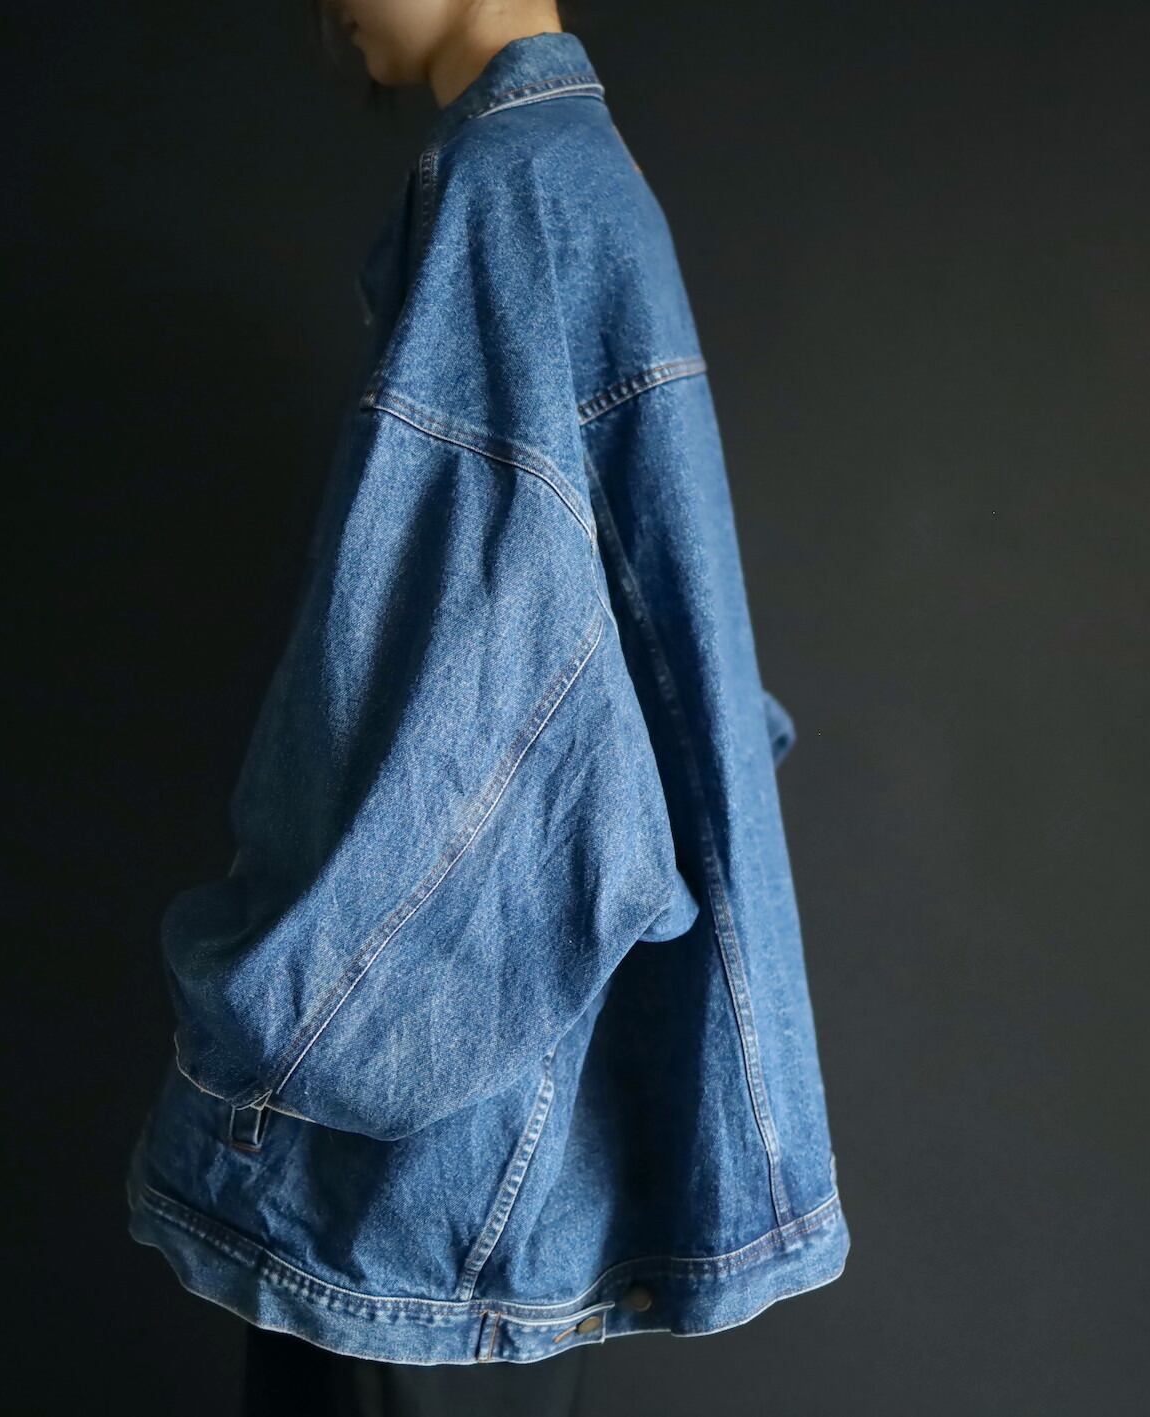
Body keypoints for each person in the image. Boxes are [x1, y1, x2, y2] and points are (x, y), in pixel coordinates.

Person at [125, 2, 850, 1413]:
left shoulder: (508, 192)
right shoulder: (574, 181)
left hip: (419, 1165)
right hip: (512, 1147)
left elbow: (501, 717)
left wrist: (270, 1017)